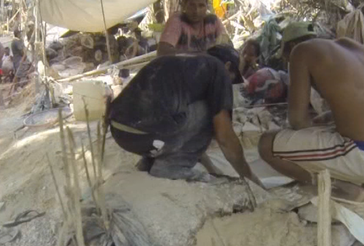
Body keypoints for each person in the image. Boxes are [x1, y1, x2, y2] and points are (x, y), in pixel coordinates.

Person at [258, 38, 364, 201]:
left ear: (291, 45)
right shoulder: (354, 47)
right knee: (334, 131)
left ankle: (340, 187)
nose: (287, 61)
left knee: (266, 144)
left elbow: (297, 121)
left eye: (286, 56)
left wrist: (306, 136)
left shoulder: (301, 51)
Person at [106, 45, 262, 186]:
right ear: (227, 66)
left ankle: (148, 163)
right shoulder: (218, 69)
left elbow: (191, 138)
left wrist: (212, 169)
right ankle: (169, 167)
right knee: (214, 112)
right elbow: (225, 137)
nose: (230, 85)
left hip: (121, 133)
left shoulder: (183, 64)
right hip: (149, 133)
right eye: (232, 79)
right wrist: (250, 178)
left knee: (176, 112)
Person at [157, 0, 230, 56]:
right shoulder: (178, 20)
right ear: (184, 5)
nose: (196, 11)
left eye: (201, 6)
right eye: (192, 5)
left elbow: (229, 46)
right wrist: (204, 55)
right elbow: (162, 51)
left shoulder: (213, 21)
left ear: (206, 7)